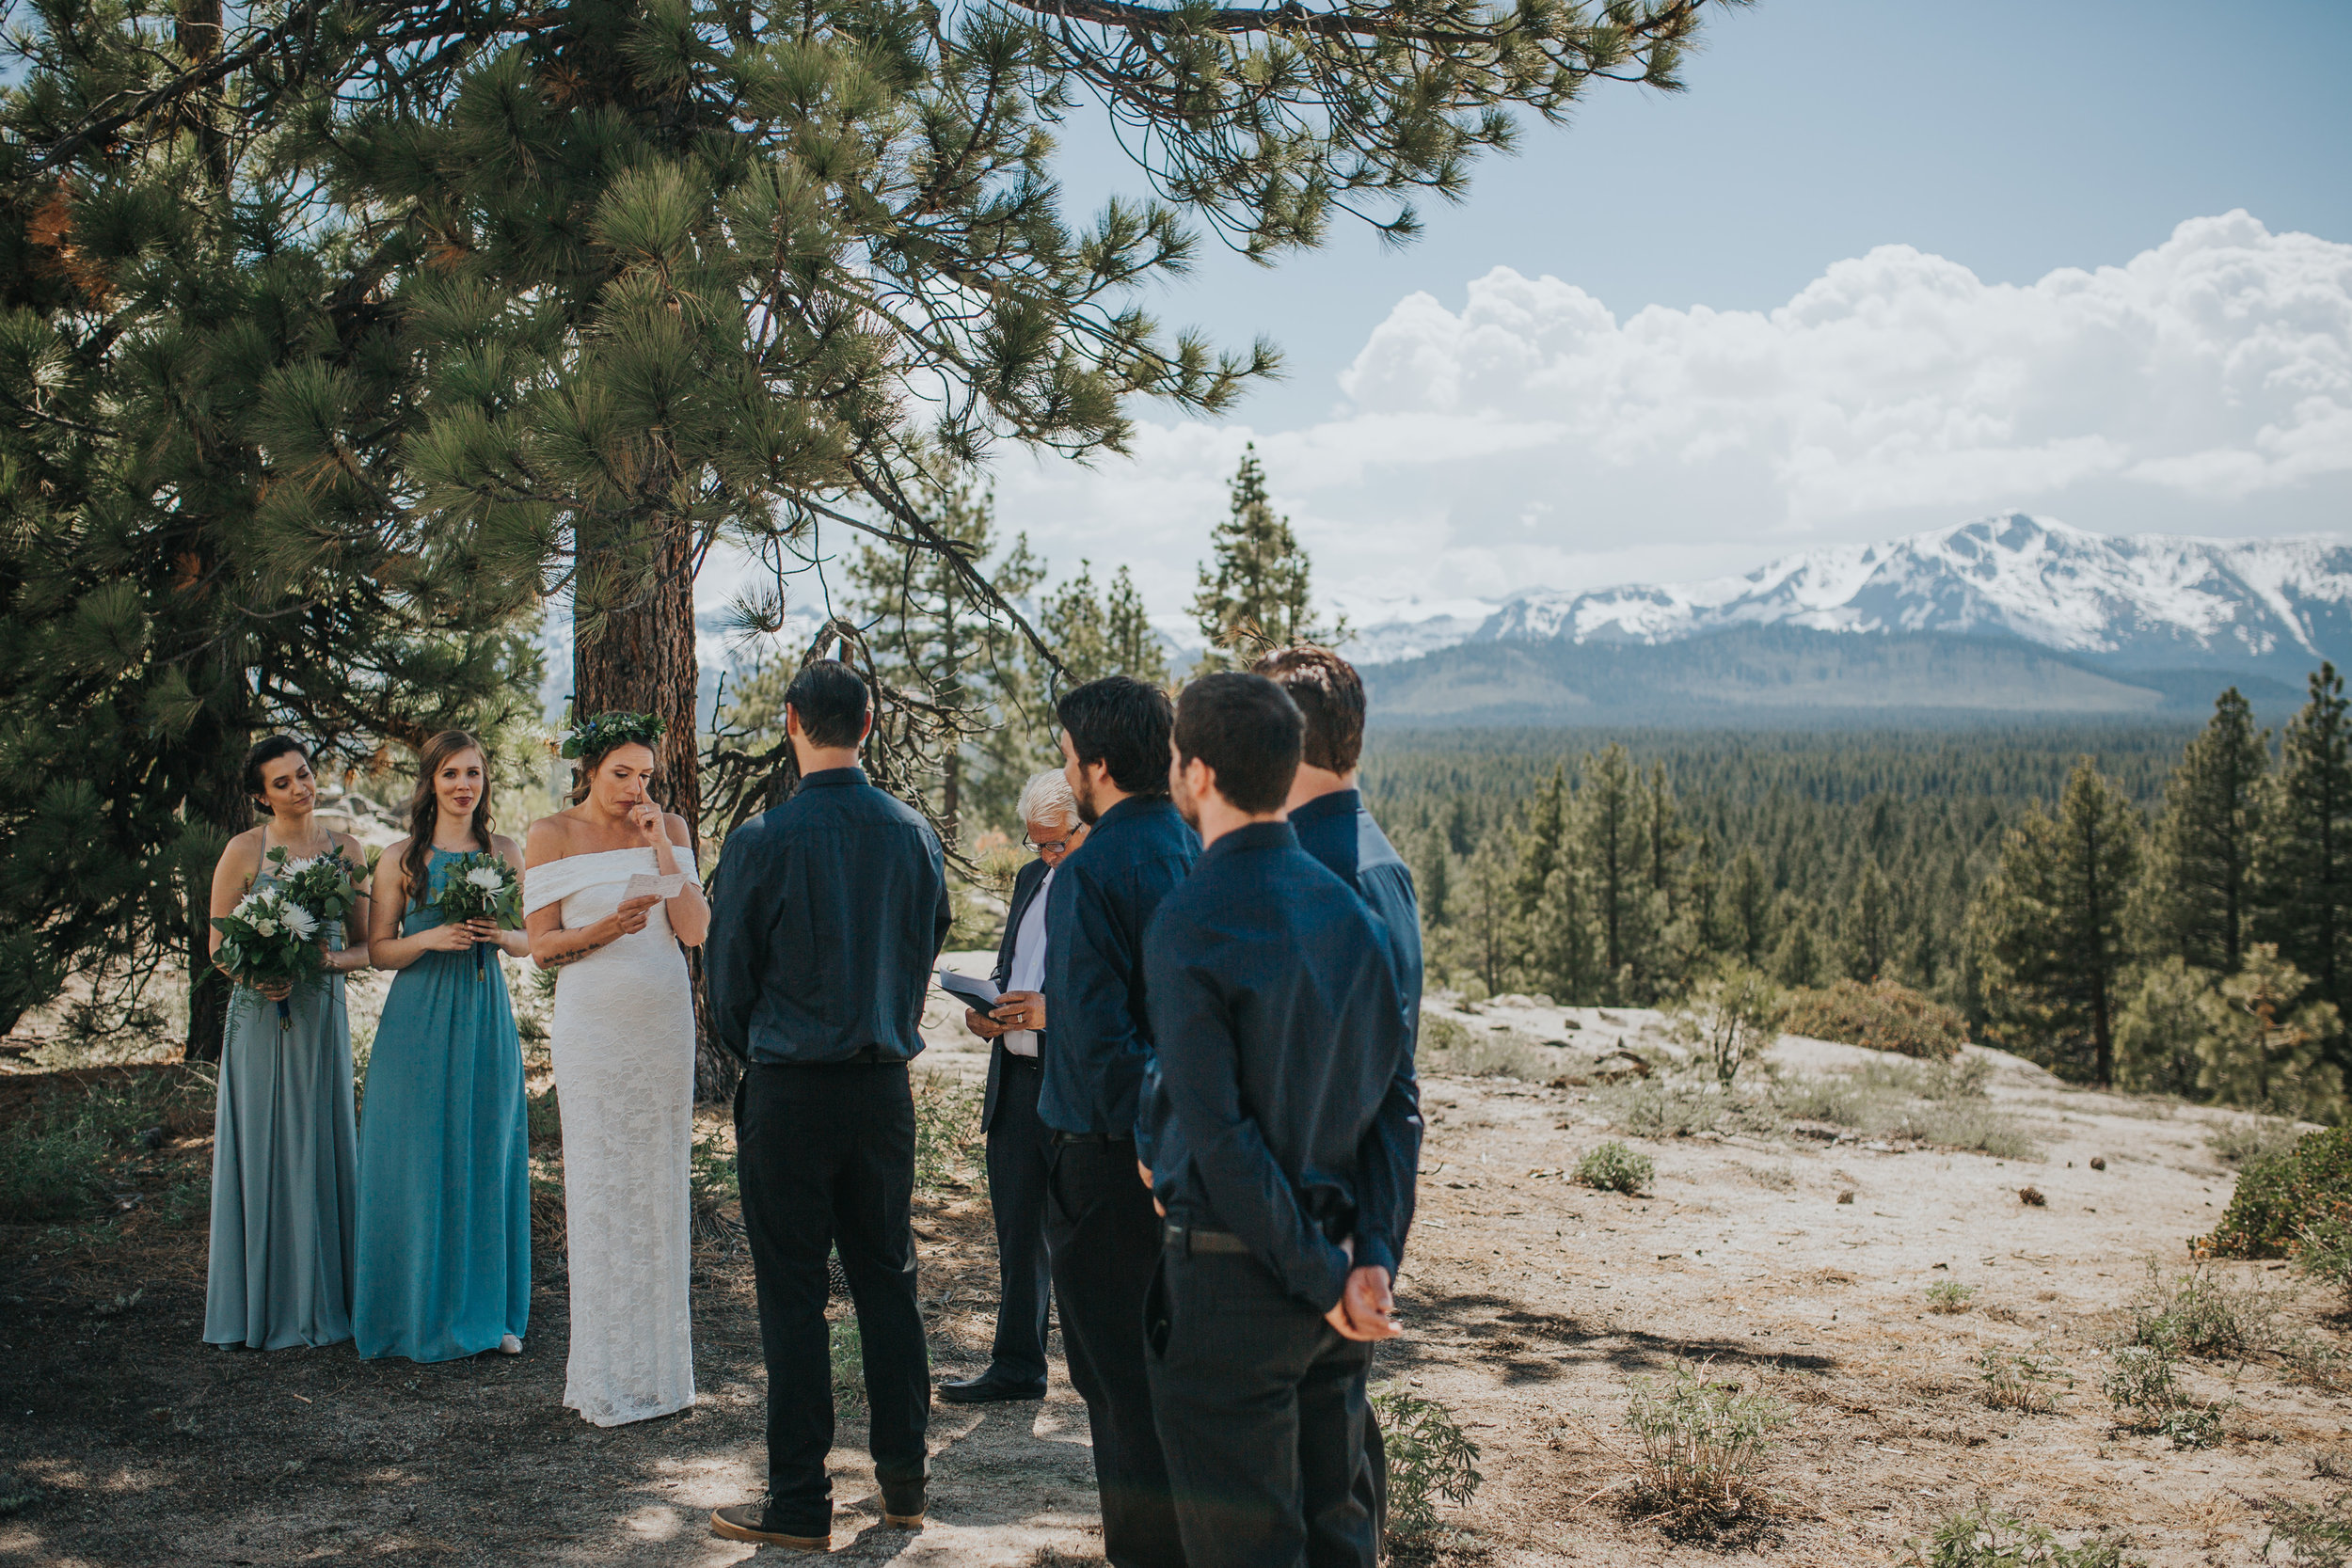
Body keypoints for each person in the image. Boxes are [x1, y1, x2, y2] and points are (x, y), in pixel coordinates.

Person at [1138, 672, 1417, 1568]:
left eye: (1177, 758)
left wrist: (1322, 1273)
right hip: (1333, 1278)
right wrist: (1370, 1255)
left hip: (1236, 1280)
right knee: (1338, 1533)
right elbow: (1395, 1107)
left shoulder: (1189, 918)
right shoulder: (1348, 905)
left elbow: (1220, 1136)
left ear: (1199, 774)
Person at [706, 660, 952, 1552]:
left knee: (793, 1297)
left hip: (792, 1089)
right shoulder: (914, 833)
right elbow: (925, 945)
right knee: (890, 1282)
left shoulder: (761, 838)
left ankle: (802, 1501)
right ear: (871, 722)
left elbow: (726, 984)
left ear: (790, 723)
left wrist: (766, 1041)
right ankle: (903, 1487)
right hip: (882, 1087)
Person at [1253, 645, 1425, 1538]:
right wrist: (1380, 1247)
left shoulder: (1310, 874)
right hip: (1352, 1225)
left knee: (1298, 1499)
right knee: (1339, 1483)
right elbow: (1400, 1090)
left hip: (1288, 1233)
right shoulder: (1382, 862)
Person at [1039, 675, 1199, 1568]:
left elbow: (1102, 1043)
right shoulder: (1195, 847)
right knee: (1176, 1382)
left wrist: (1149, 1144)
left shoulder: (1089, 871)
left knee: (1117, 1388)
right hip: (1194, 1162)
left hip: (1109, 1166)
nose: (1064, 766)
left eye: (1067, 753)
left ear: (1099, 762)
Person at [521, 712, 710, 1426]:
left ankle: (663, 1375)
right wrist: (607, 928)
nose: (636, 789)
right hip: (594, 1024)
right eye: (620, 775)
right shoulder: (551, 834)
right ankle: (603, 1375)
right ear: (589, 770)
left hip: (661, 1019)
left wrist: (663, 847)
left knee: (659, 1179)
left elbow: (693, 931)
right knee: (600, 1179)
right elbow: (541, 946)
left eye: (645, 776)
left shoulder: (671, 829)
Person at [354, 730, 533, 1363]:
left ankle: (492, 1314)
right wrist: (431, 938)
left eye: (474, 773)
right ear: (430, 781)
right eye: (451, 773)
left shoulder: (506, 850)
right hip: (418, 1019)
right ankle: (410, 1311)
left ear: (486, 782)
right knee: (417, 1153)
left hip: (485, 1013)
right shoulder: (401, 857)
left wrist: (498, 934)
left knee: (487, 1147)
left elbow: (530, 937)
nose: (463, 785)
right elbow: (378, 950)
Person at [203, 736, 374, 1351]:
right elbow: (219, 945)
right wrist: (257, 973)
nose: (301, 787)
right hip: (259, 1015)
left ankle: (326, 1299)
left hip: (319, 1015)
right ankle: (260, 1303)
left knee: (319, 1140)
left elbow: (367, 944)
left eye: (303, 774)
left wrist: (331, 961)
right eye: (283, 782)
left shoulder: (346, 849)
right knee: (264, 1146)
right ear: (260, 796)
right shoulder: (244, 850)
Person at [941, 768, 1089, 1404]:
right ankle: (1017, 1364)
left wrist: (1054, 1012)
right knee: (1017, 1231)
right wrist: (985, 1012)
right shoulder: (1031, 879)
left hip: (1075, 1081)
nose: (1047, 856)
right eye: (1038, 844)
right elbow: (1009, 968)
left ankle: (1101, 1374)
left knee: (1082, 1235)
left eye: (1058, 842)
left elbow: (1125, 989)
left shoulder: (1103, 884)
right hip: (1016, 1080)